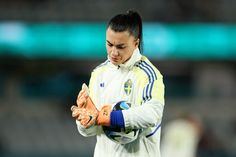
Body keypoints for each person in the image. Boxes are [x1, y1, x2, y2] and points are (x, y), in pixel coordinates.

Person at [71, 10, 165, 157]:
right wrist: (86, 121)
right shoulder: (98, 74)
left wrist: (112, 118)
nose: (113, 52)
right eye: (109, 44)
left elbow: (152, 113)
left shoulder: (149, 74)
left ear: (136, 43)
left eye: (121, 47)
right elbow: (91, 132)